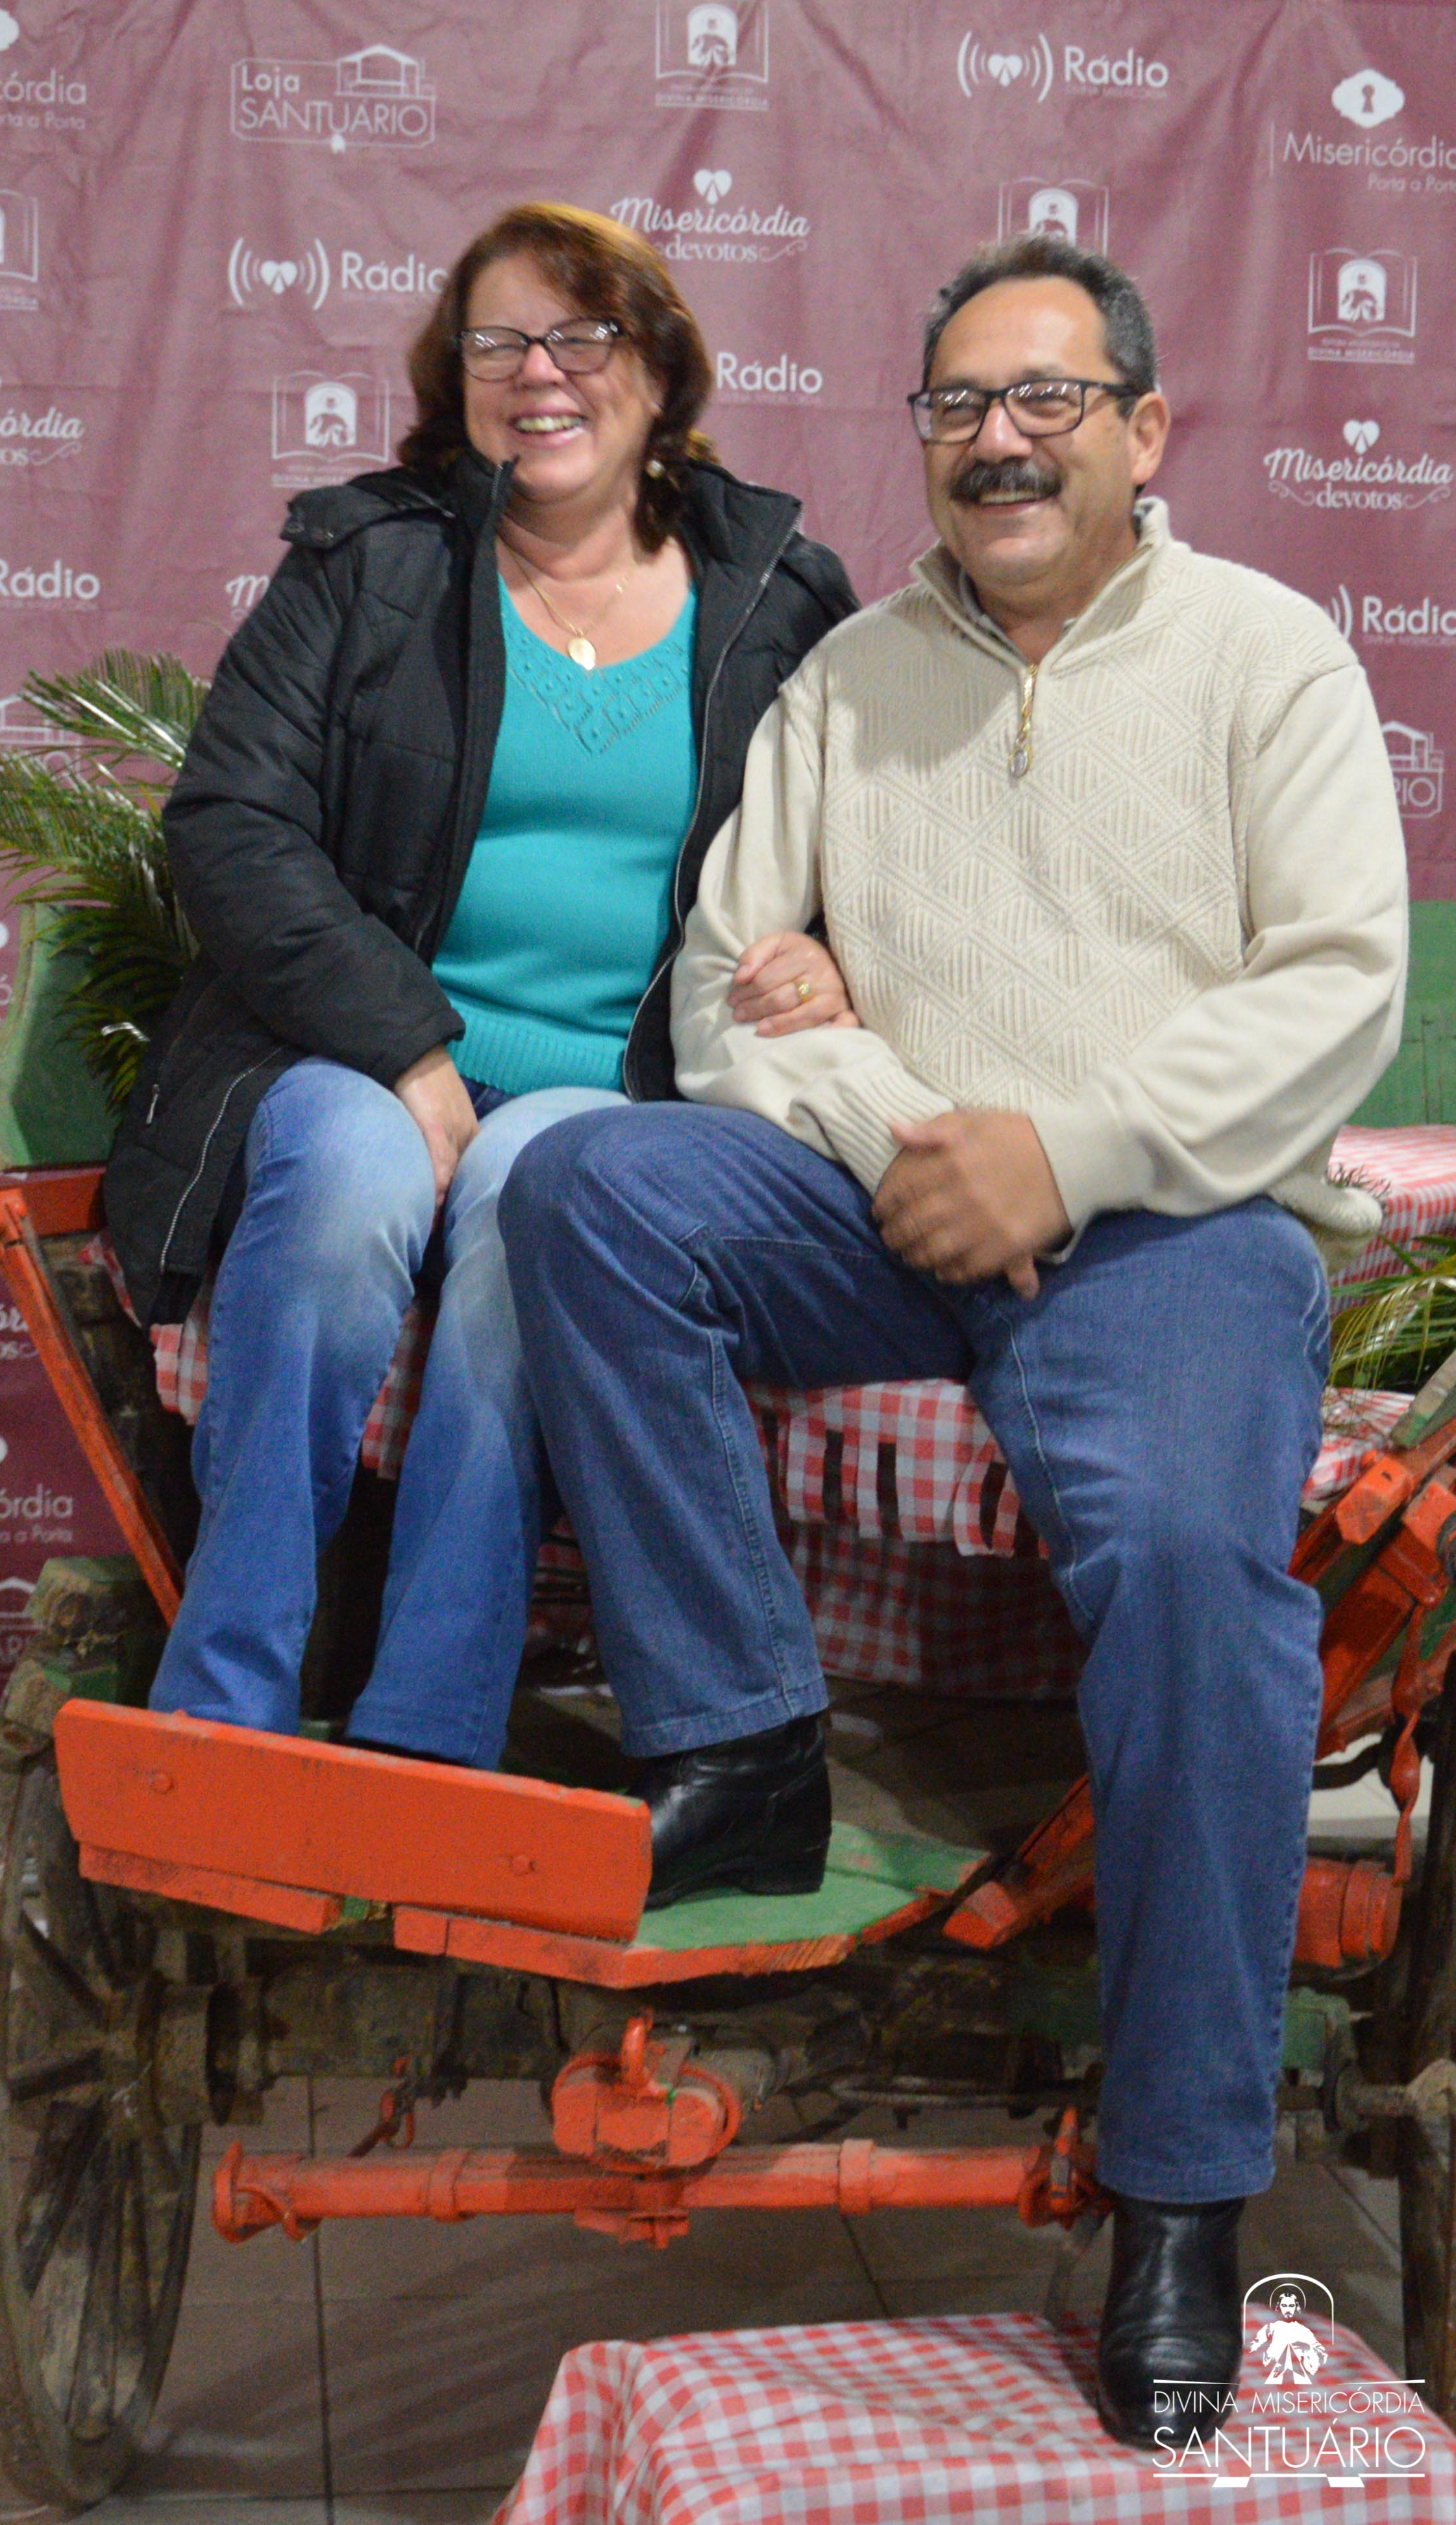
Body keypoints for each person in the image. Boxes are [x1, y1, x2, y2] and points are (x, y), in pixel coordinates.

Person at [499, 230, 1406, 2445]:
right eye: (960, 407)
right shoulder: (848, 678)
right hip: (893, 1200)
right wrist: (918, 1138)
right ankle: (742, 1735)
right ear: (920, 438)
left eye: (1048, 399)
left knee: (1194, 1580)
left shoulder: (1268, 657)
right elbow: (728, 984)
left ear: (1142, 429)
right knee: (591, 1190)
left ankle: (1179, 2192)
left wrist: (1065, 1155)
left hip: (1178, 1234)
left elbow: (1337, 987)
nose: (1000, 441)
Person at [103, 203, 856, 1765]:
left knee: (543, 1212)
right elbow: (231, 823)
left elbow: (887, 845)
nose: (539, 373)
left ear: (662, 373)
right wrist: (407, 1047)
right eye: (498, 342)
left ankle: (425, 1740)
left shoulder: (782, 599)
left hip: (618, 1093)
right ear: (455, 382)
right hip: (356, 1051)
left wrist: (831, 947)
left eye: (583, 336)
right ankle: (222, 1708)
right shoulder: (367, 561)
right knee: (339, 1188)